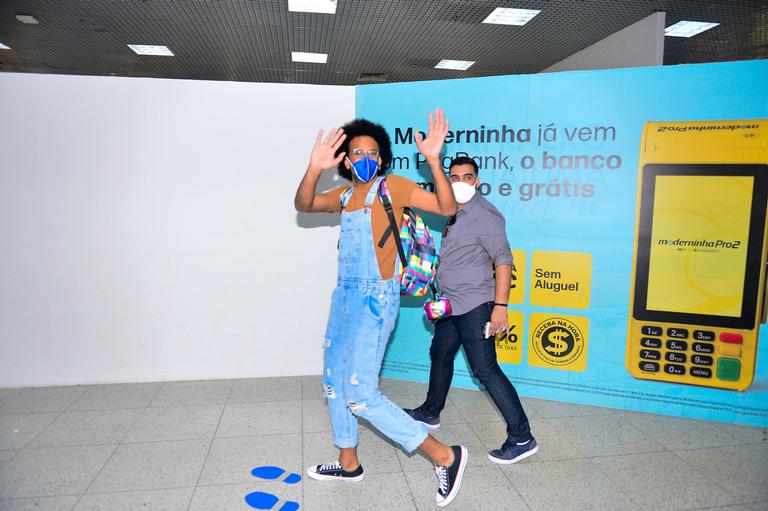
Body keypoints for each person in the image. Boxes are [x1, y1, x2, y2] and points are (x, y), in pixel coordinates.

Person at [294, 109, 468, 507]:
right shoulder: (342, 196)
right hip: (344, 299)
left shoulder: (396, 188)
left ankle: (445, 456)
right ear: (346, 160)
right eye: (357, 152)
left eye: (373, 152)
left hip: (376, 298)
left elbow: (447, 209)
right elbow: (303, 203)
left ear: (382, 157)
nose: (365, 158)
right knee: (334, 383)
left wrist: (435, 162)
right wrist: (313, 167)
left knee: (361, 394)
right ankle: (349, 461)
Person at [403, 156, 538, 465]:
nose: (459, 182)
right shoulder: (452, 212)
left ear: (476, 181)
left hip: (476, 305)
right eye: (454, 177)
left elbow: (504, 260)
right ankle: (430, 411)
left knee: (485, 370)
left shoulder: (486, 215)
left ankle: (522, 437)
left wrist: (500, 307)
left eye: (466, 177)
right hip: (451, 303)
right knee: (440, 353)